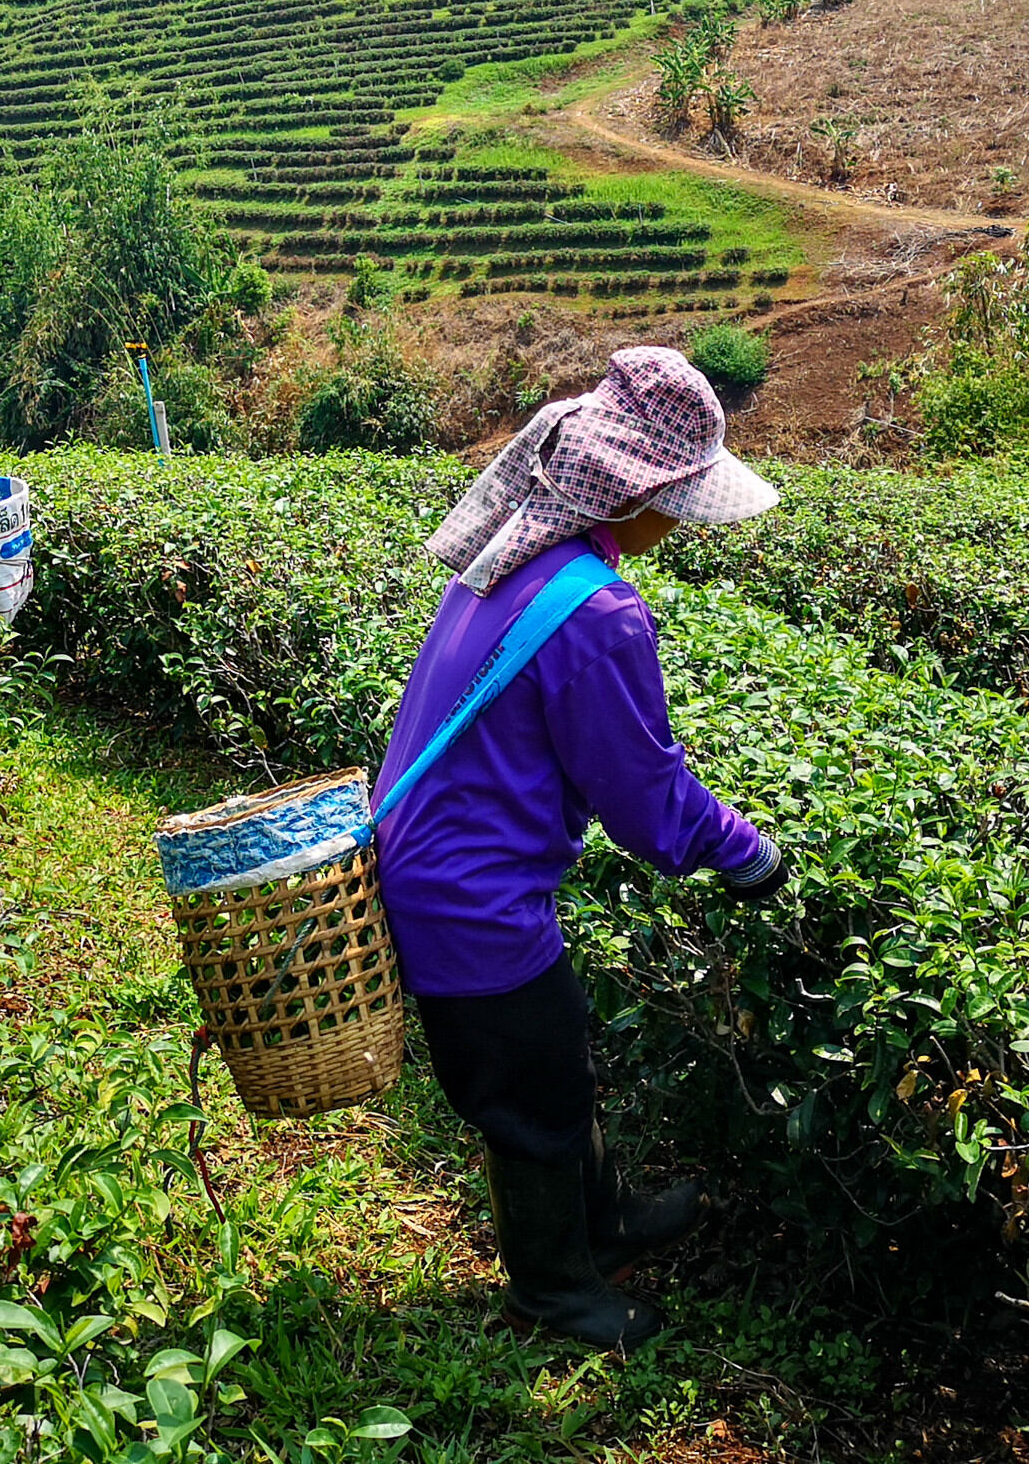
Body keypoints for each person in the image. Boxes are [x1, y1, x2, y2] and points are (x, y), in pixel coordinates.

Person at [374, 346, 787, 1353]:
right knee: (532, 1099)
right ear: (633, 490)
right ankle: (555, 1291)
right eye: (679, 499)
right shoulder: (598, 613)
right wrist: (746, 855)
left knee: (555, 1052)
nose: (682, 524)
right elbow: (645, 795)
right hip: (467, 895)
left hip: (445, 861)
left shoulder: (518, 561)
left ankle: (602, 1224)